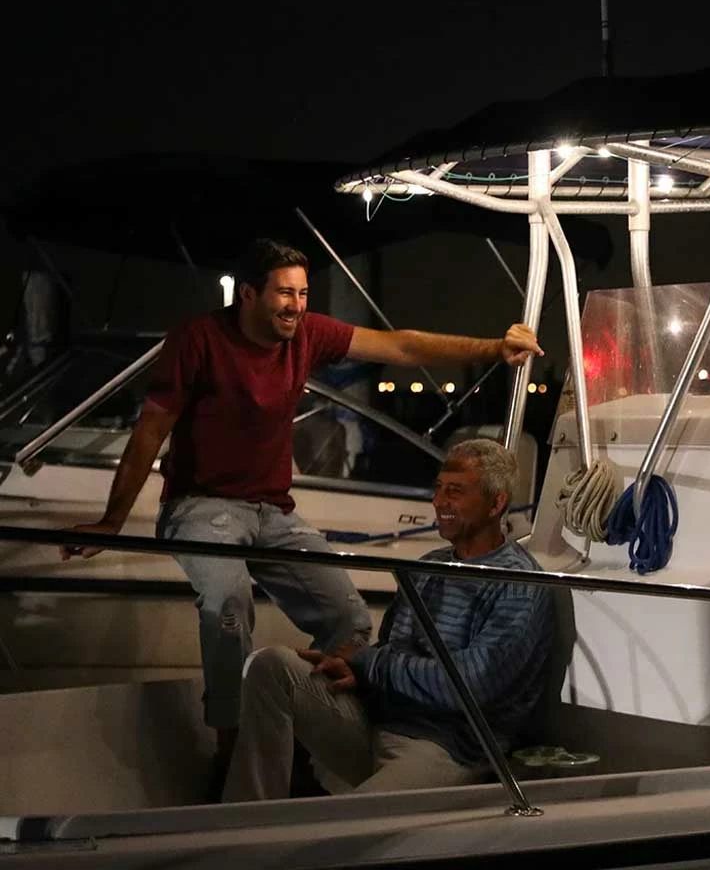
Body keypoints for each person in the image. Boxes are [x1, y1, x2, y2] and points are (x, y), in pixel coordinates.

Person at [59, 238, 543, 774]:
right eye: (284, 293)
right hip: (201, 506)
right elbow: (150, 432)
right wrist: (112, 521)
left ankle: (310, 754)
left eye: (303, 293)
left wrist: (494, 348)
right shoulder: (198, 339)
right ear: (248, 294)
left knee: (349, 620)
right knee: (228, 601)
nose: (296, 305)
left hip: (274, 512)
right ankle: (229, 750)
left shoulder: (308, 335)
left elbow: (401, 347)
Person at [221, 438, 554, 801]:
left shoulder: (518, 584)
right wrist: (361, 675)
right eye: (438, 489)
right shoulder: (427, 566)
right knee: (271, 666)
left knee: (346, 823)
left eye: (455, 491)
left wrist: (369, 664)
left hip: (448, 746)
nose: (439, 501)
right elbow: (393, 649)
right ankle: (248, 816)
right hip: (379, 721)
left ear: (496, 503)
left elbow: (469, 685)